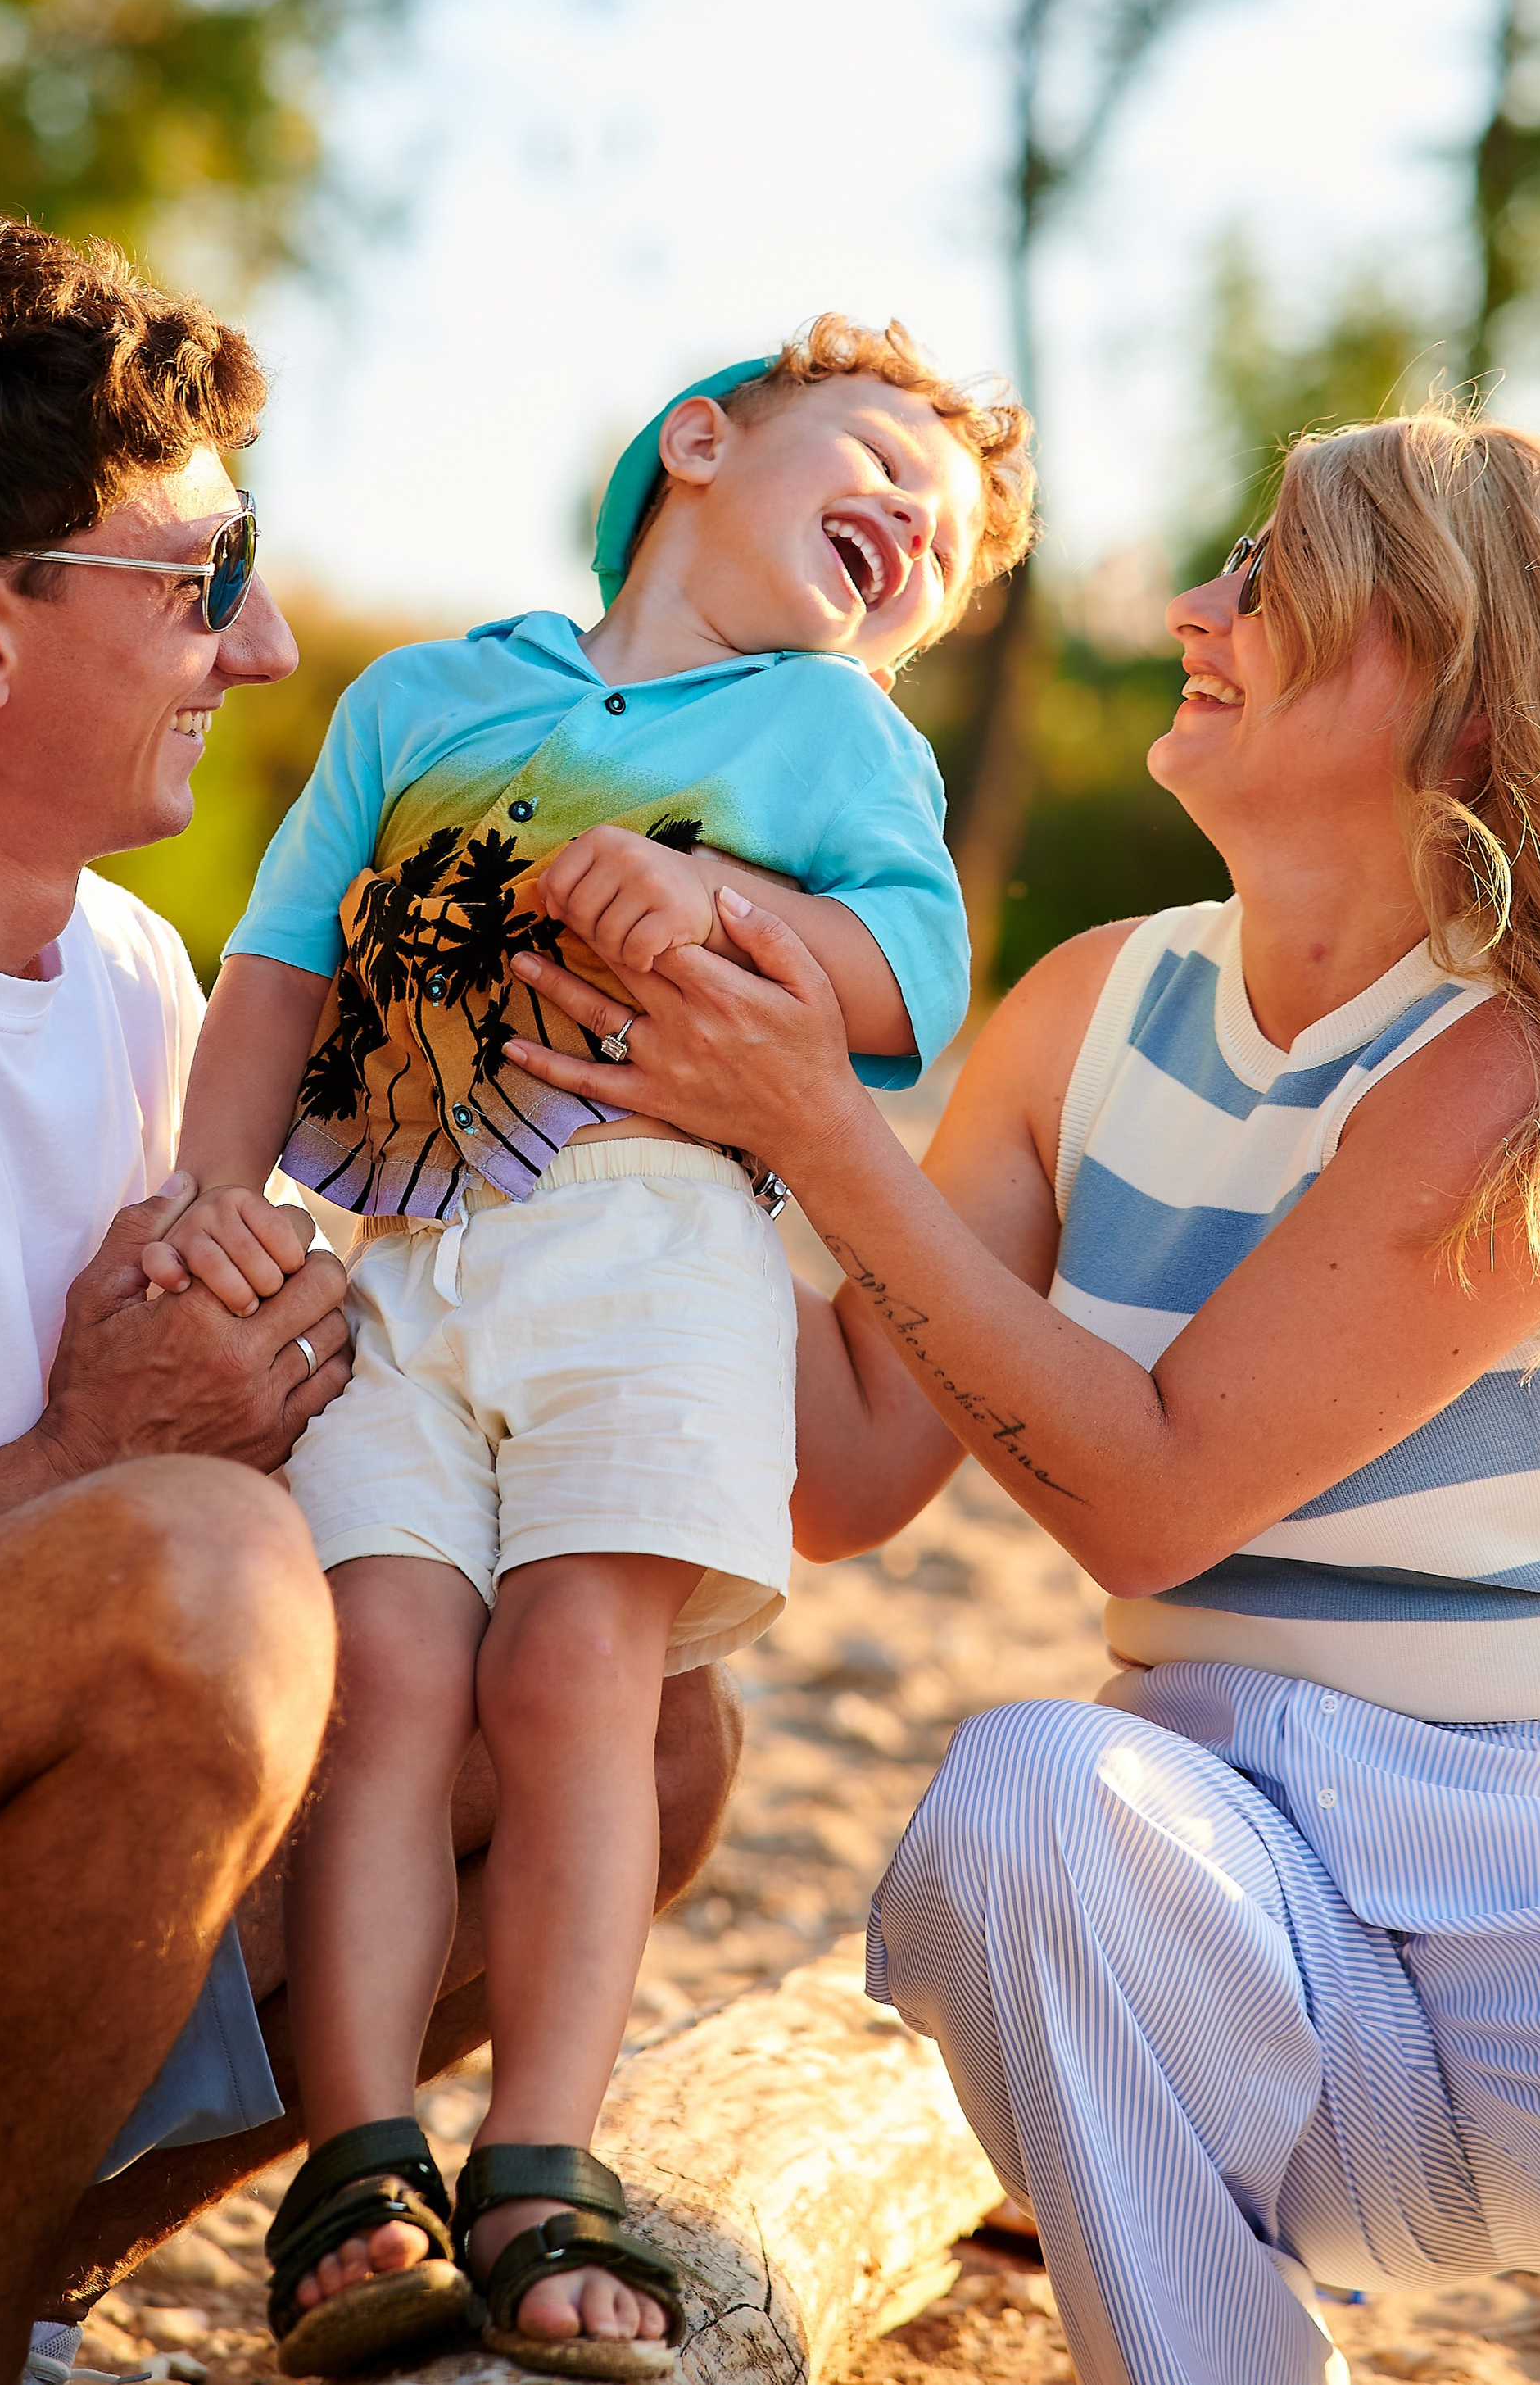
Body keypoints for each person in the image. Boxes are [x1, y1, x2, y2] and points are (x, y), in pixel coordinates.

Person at [505, 407, 1540, 2385]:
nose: (1193, 602)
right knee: (1023, 1802)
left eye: (1270, 578)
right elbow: (844, 1467)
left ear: (1460, 686)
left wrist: (819, 1134)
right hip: (1242, 1916)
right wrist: (634, 1115)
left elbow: (1150, 1495)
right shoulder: (1095, 1008)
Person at [0, 197, 738, 2385]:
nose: (258, 652)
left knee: (620, 1721)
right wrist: (96, 1457)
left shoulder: (147, 982)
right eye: (202, 583)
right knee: (195, 1570)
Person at [142, 318, 1035, 2377]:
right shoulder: (424, 696)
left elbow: (902, 975)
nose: (919, 522)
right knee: (383, 1688)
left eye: (956, 544)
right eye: (888, 458)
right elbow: (278, 958)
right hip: (395, 1243)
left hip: (652, 1257)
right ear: (701, 444)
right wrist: (213, 1190)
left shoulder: (832, 739)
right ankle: (356, 2165)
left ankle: (541, 2152)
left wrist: (721, 914)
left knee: (571, 1681)